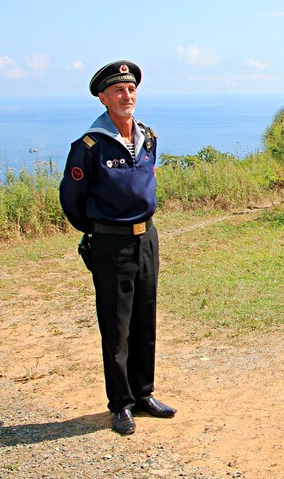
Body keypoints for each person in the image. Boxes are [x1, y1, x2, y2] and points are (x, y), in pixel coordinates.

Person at [60, 60, 176, 435]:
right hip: (111, 243)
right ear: (103, 98)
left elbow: (148, 178)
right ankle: (121, 404)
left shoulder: (148, 137)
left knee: (145, 317)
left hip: (147, 239)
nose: (127, 96)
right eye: (118, 91)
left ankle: (143, 394)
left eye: (131, 90)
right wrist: (100, 229)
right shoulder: (89, 146)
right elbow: (72, 200)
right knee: (116, 324)